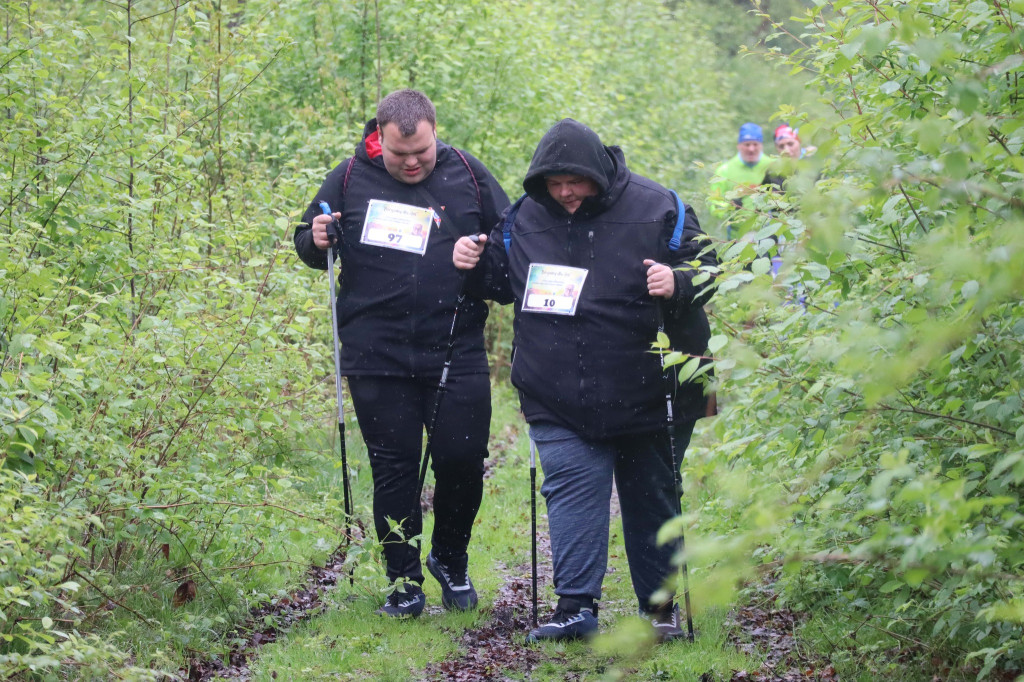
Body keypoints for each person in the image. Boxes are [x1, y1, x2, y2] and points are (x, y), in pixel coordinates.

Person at [453, 119, 717, 643]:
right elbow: (500, 285)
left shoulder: (659, 205)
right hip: (556, 389)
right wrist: (470, 265)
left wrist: (678, 281)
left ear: (598, 171)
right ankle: (575, 609)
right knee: (572, 492)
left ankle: (660, 611)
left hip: (653, 387)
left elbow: (711, 268)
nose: (566, 192)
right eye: (554, 184)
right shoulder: (521, 219)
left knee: (652, 498)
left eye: (574, 180)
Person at [294, 89, 510, 618]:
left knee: (462, 461)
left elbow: (511, 254)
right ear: (380, 140)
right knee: (395, 468)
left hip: (454, 346)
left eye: (422, 152)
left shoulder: (467, 172)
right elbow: (306, 240)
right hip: (376, 350)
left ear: (435, 132)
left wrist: (477, 262)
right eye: (399, 154)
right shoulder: (349, 177)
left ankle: (450, 559)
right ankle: (403, 581)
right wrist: (318, 236)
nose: (412, 163)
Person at [707, 122, 773, 238]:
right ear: (739, 146)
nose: (751, 149)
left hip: (770, 235)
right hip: (737, 237)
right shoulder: (724, 171)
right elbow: (713, 202)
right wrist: (729, 208)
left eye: (755, 144)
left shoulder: (773, 166)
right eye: (747, 144)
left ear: (761, 145)